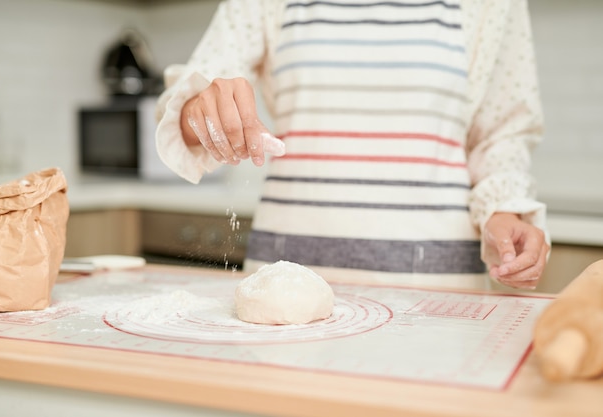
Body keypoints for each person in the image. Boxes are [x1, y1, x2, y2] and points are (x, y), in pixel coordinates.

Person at [155, 0, 549, 290]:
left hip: (438, 288)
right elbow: (185, 106)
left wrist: (505, 210)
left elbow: (503, 132)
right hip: (284, 282)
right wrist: (199, 107)